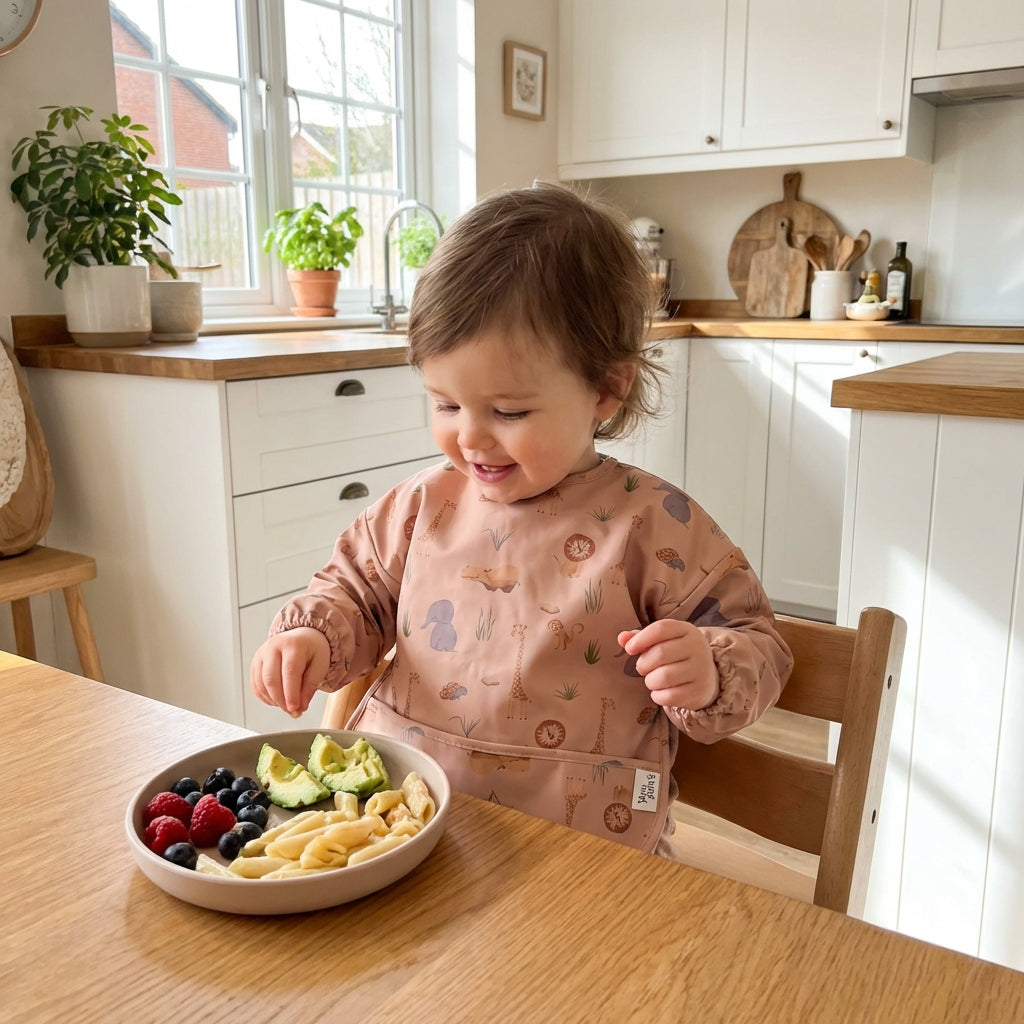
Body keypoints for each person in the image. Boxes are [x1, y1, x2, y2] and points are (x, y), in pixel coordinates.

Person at [250, 182, 793, 855]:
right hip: (403, 831)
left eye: (508, 412)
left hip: (584, 854)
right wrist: (312, 636)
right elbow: (352, 592)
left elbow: (758, 641)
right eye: (446, 404)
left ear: (606, 388)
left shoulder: (654, 525)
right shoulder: (420, 506)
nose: (470, 437)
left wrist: (709, 668)